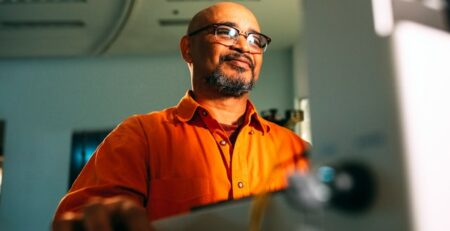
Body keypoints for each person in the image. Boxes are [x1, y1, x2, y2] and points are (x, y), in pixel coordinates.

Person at [52, 2, 308, 230]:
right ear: (188, 49)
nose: (243, 46)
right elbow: (80, 221)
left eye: (255, 40)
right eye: (225, 32)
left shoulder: (298, 151)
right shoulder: (139, 137)